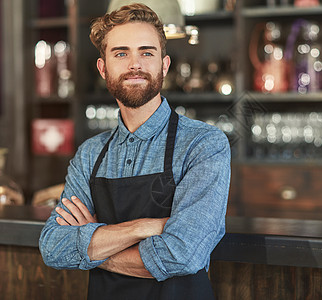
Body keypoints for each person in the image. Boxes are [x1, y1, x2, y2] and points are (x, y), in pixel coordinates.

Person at [38, 3, 231, 300]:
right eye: (121, 53)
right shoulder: (90, 154)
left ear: (164, 65)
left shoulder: (203, 144)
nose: (135, 64)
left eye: (146, 52)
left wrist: (94, 240)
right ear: (103, 68)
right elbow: (53, 246)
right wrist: (145, 228)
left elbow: (182, 254)